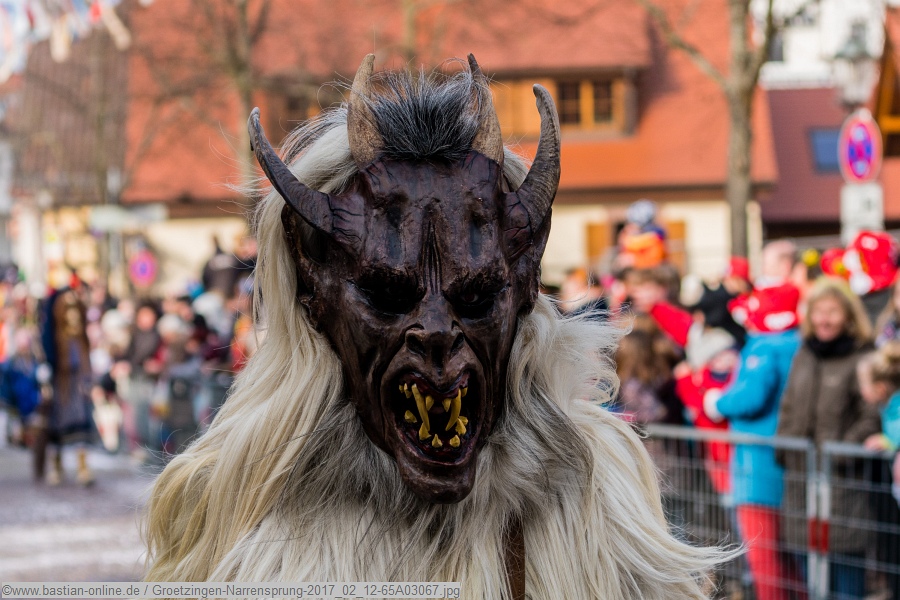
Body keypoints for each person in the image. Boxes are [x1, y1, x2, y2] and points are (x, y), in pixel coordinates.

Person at [144, 55, 726, 595]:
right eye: (385, 295)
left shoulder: (599, 502)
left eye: (476, 296)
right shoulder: (223, 509)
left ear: (524, 278)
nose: (439, 331)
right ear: (313, 282)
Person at [775, 277, 882, 599]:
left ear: (849, 315)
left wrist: (842, 452)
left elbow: (872, 413)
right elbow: (788, 405)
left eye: (832, 311)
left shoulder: (863, 355)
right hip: (800, 480)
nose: (824, 319)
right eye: (818, 311)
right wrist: (785, 448)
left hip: (844, 483)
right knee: (812, 581)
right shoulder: (804, 353)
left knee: (846, 582)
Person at [704, 282, 802, 600]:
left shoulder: (763, 347)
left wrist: (718, 402)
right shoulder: (798, 343)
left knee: (764, 556)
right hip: (786, 460)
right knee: (789, 555)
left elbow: (750, 397)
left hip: (755, 466)